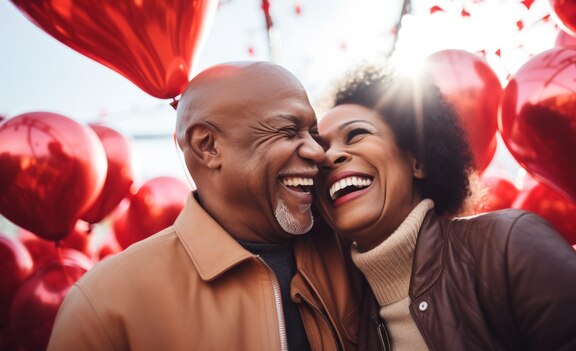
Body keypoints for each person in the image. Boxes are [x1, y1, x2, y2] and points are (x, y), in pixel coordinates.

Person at [48, 62, 359, 351]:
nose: (317, 152)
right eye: (288, 131)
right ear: (207, 146)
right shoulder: (104, 304)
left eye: (313, 133)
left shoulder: (353, 248)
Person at [313, 65, 576, 351]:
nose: (329, 157)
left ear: (417, 160)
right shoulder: (342, 322)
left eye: (356, 134)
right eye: (320, 149)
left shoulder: (507, 244)